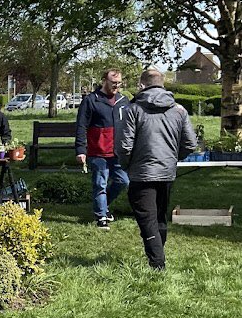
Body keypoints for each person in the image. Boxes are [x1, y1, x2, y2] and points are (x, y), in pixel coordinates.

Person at [117, 67, 197, 270]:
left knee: (147, 219)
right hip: (166, 172)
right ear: (163, 84)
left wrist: (127, 165)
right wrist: (172, 158)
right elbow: (190, 144)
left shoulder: (133, 109)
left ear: (142, 85)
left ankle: (157, 264)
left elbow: (124, 146)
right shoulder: (178, 110)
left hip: (141, 172)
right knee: (159, 216)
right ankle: (158, 256)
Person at [75, 69, 131, 230]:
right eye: (113, 83)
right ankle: (101, 218)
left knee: (123, 181)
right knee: (100, 184)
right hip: (98, 151)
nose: (116, 86)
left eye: (119, 83)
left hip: (118, 152)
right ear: (104, 81)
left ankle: (103, 206)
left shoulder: (123, 100)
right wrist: (80, 149)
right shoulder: (92, 100)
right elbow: (81, 126)